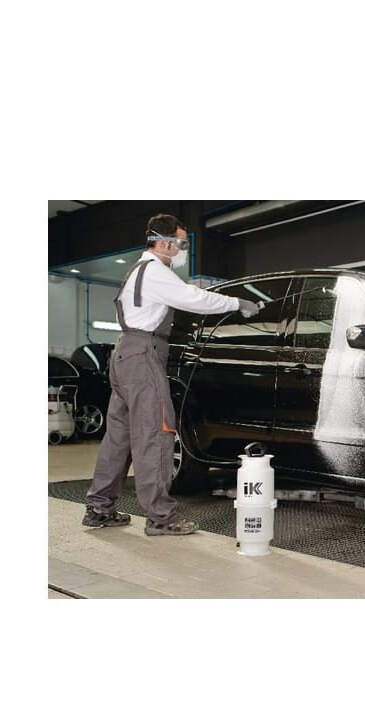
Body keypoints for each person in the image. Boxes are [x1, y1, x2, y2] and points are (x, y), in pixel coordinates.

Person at [82, 213, 259, 535]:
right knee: (156, 433)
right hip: (142, 355)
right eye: (181, 244)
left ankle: (99, 507)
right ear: (163, 243)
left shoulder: (138, 270)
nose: (182, 251)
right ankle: (161, 518)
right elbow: (195, 298)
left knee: (119, 437)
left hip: (125, 355)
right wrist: (238, 303)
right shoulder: (154, 271)